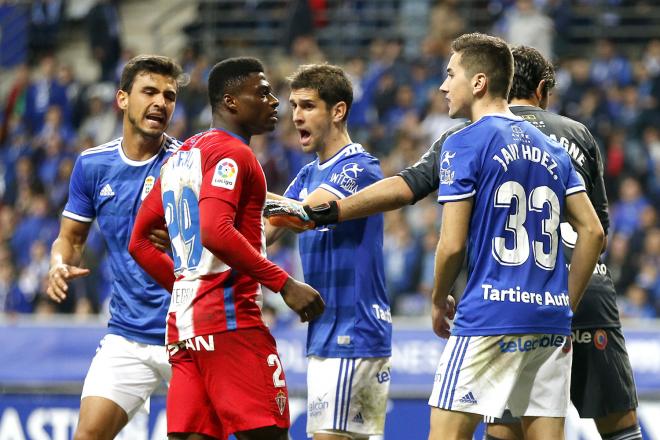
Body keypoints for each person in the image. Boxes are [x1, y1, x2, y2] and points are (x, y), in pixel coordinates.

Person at [278, 45, 643, 440]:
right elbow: (594, 230)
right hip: (550, 318)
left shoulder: (464, 142)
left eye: (451, 75)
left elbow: (450, 243)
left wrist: (438, 299)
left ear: (479, 82)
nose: (442, 86)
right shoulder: (556, 148)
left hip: (489, 313)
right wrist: (565, 307)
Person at [128, 57, 325, 440]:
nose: (274, 102)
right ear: (231, 102)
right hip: (232, 323)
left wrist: (188, 287)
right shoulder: (235, 155)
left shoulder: (182, 155)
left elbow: (138, 242)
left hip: (184, 329)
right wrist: (285, 284)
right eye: (262, 93)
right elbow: (216, 232)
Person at [485, 47, 642, 440]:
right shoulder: (577, 134)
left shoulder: (479, 135)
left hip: (514, 297)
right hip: (584, 291)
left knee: (507, 428)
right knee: (620, 428)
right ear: (542, 89)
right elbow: (598, 229)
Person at [46, 54, 184, 440]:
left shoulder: (187, 163)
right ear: (122, 98)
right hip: (127, 334)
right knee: (87, 436)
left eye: (169, 96)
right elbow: (70, 238)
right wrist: (58, 263)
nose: (160, 102)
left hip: (187, 334)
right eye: (150, 91)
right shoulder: (92, 165)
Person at [266, 64, 392, 440]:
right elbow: (264, 231)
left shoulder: (360, 167)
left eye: (308, 105)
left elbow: (305, 215)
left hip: (354, 332)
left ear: (338, 111)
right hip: (328, 333)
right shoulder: (307, 175)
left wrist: (238, 184)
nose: (296, 116)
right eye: (293, 106)